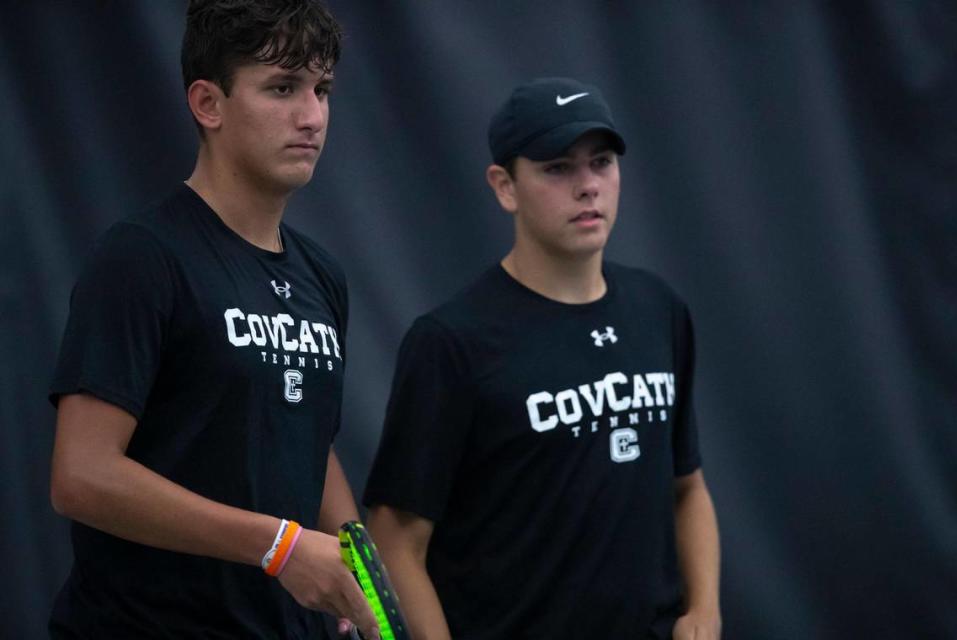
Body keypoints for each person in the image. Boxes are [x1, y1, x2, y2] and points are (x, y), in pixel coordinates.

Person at [47, 1, 380, 638]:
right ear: (209, 104)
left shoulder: (321, 275)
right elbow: (82, 475)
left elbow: (307, 440)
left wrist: (361, 574)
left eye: (322, 89)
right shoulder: (143, 256)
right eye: (282, 88)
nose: (311, 116)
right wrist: (279, 546)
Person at [363, 77, 721, 639]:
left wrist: (704, 610)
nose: (587, 186)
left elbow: (689, 487)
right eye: (557, 167)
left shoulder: (659, 310)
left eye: (600, 162)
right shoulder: (451, 342)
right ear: (505, 186)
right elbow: (394, 536)